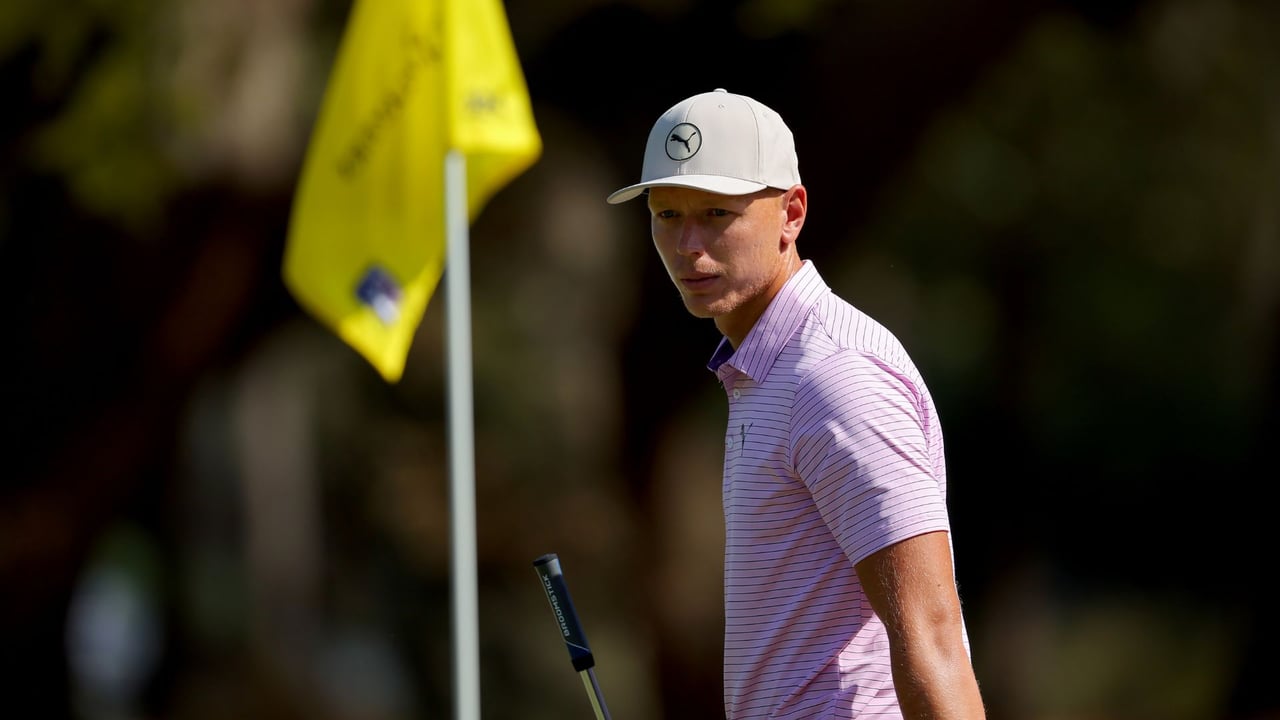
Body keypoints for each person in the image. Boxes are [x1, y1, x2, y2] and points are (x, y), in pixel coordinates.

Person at [606, 89, 987, 719]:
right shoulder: (765, 368)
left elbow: (933, 635)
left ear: (792, 213)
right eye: (667, 215)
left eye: (717, 214)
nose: (687, 246)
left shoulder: (835, 378)